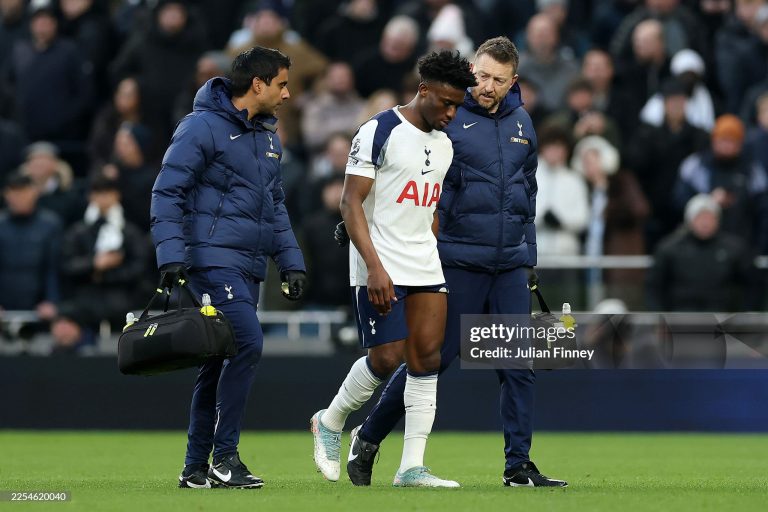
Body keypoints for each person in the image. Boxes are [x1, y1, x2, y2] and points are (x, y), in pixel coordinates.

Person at [341, 37, 568, 488]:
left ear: (513, 82)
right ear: (471, 69)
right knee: (431, 361)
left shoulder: (523, 123)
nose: (486, 86)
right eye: (481, 75)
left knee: (518, 367)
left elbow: (528, 195)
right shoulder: (446, 117)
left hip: (508, 265)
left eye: (497, 80)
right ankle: (368, 437)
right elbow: (414, 185)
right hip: (456, 261)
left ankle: (518, 465)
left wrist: (529, 260)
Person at [310, 49, 475, 488]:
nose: (451, 112)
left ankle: (411, 467)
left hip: (423, 260)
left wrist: (434, 247)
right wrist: (374, 268)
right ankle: (330, 421)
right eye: (445, 102)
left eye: (458, 105)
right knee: (385, 358)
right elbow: (350, 201)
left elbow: (429, 206)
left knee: (427, 360)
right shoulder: (379, 129)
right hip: (377, 259)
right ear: (423, 90)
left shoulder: (444, 145)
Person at [151, 46, 306, 489]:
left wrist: (290, 262)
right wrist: (171, 255)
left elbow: (274, 206)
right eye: (281, 84)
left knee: (217, 363)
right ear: (257, 84)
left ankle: (196, 467)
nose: (288, 94)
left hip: (248, 266)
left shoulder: (268, 137)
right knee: (247, 344)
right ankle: (226, 457)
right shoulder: (201, 127)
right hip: (211, 260)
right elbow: (167, 192)